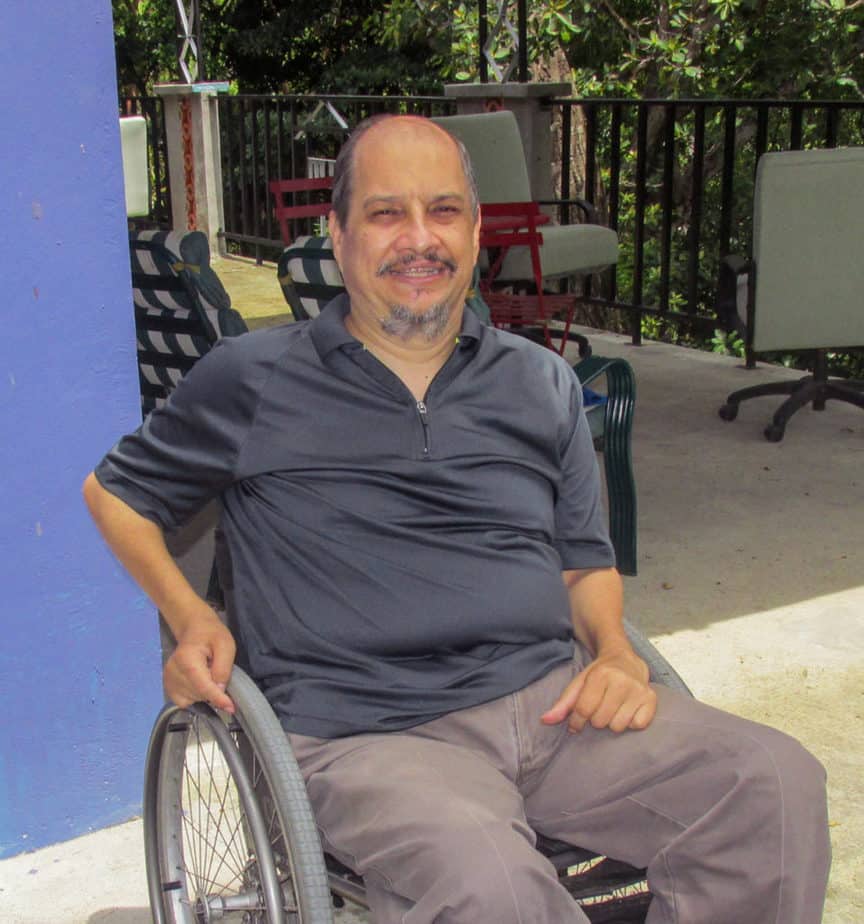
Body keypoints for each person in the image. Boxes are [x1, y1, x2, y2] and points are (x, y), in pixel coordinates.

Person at [84, 114, 830, 923]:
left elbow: (585, 562)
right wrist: (190, 615)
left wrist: (614, 653)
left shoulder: (538, 382)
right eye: (384, 213)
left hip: (550, 709)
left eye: (443, 211)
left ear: (476, 234)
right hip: (367, 735)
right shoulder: (254, 380)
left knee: (772, 786)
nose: (419, 238)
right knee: (494, 889)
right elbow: (116, 492)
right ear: (336, 236)